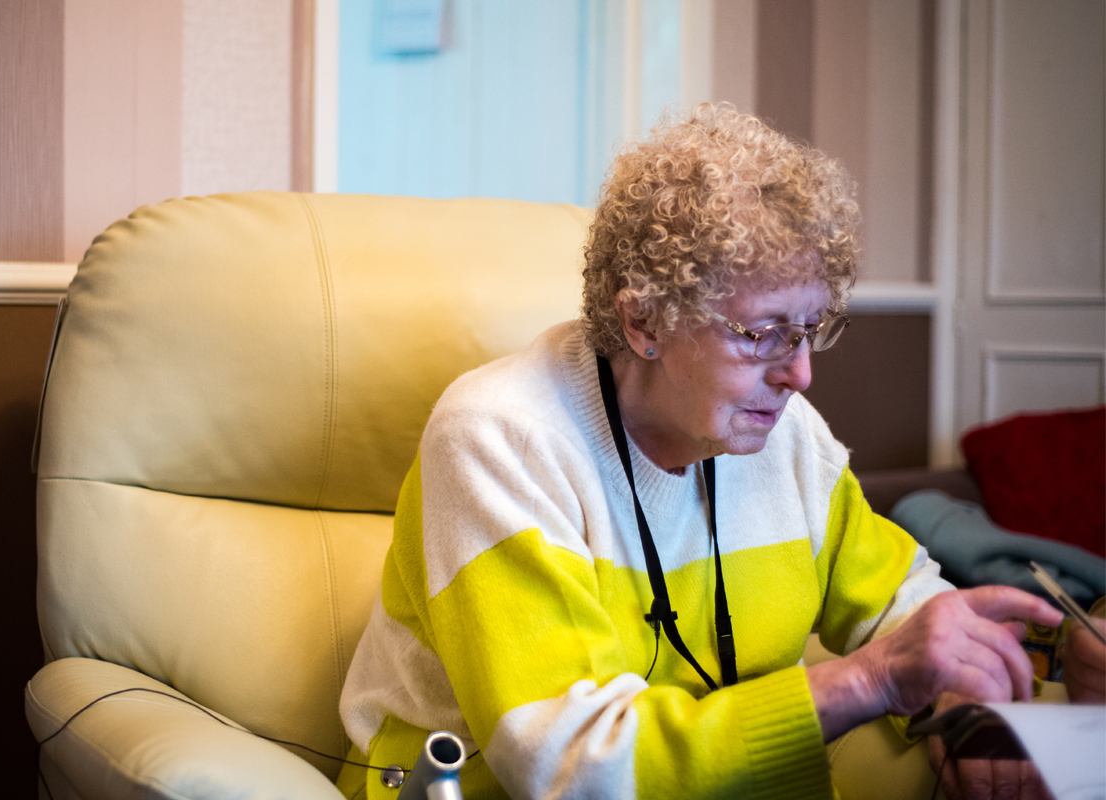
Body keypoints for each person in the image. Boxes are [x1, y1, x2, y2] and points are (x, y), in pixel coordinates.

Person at [337, 102, 1062, 799]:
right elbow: (566, 770)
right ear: (645, 318)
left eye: (809, 329)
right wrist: (866, 682)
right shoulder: (499, 439)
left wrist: (966, 694)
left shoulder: (787, 436)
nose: (799, 373)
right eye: (760, 334)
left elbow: (904, 602)